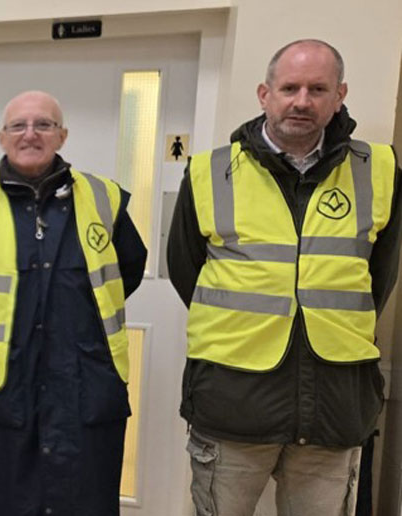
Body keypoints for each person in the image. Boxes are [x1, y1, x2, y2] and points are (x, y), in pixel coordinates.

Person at [167, 39, 401, 514]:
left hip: (334, 408)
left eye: (318, 88)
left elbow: (380, 278)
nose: (302, 100)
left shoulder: (380, 170)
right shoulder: (209, 173)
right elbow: (186, 270)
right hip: (233, 405)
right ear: (264, 93)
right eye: (289, 87)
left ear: (340, 95)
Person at [0, 90, 147, 515]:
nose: (30, 134)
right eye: (18, 126)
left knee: (84, 503)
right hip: (0, 388)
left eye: (43, 124)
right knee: (1, 503)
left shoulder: (104, 198)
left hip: (85, 385)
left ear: (62, 136)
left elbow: (126, 272)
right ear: (1, 137)